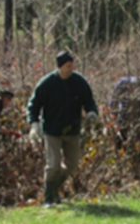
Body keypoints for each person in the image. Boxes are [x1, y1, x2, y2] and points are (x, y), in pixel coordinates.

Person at [28, 52, 99, 206]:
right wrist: (34, 125)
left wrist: (92, 112)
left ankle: (54, 190)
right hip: (52, 131)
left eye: (72, 65)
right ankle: (48, 198)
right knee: (53, 166)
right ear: (60, 66)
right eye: (68, 65)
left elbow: (89, 100)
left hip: (72, 130)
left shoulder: (79, 82)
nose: (71, 68)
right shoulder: (46, 83)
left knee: (72, 164)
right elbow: (33, 106)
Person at [108, 76, 140, 154]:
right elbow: (113, 103)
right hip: (124, 116)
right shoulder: (122, 84)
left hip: (139, 116)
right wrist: (114, 120)